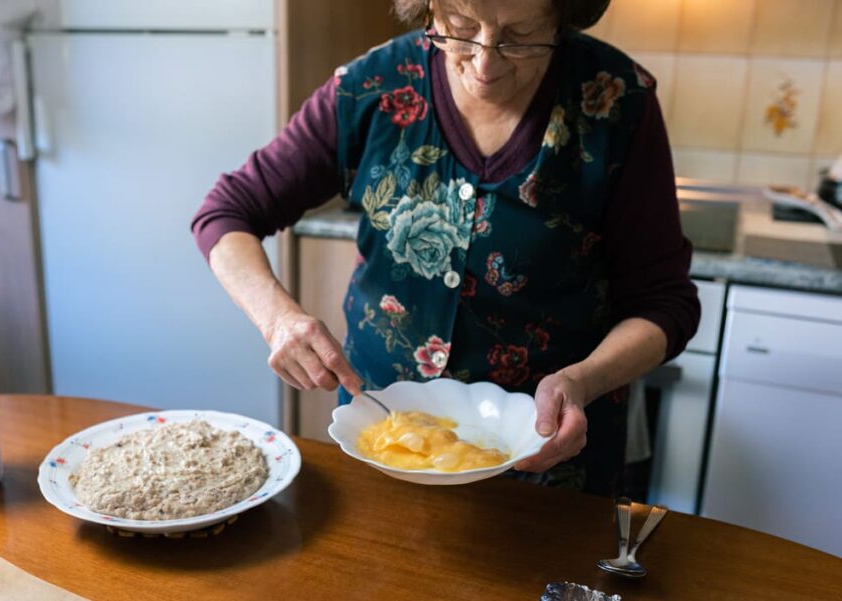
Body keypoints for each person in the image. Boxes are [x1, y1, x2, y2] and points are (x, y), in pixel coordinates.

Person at [192, 0, 700, 496]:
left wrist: (583, 381)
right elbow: (226, 212)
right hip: (385, 446)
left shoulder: (617, 101)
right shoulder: (371, 87)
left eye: (520, 36)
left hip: (548, 464)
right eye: (458, 25)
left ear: (562, 16)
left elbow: (664, 302)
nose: (485, 61)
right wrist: (278, 319)